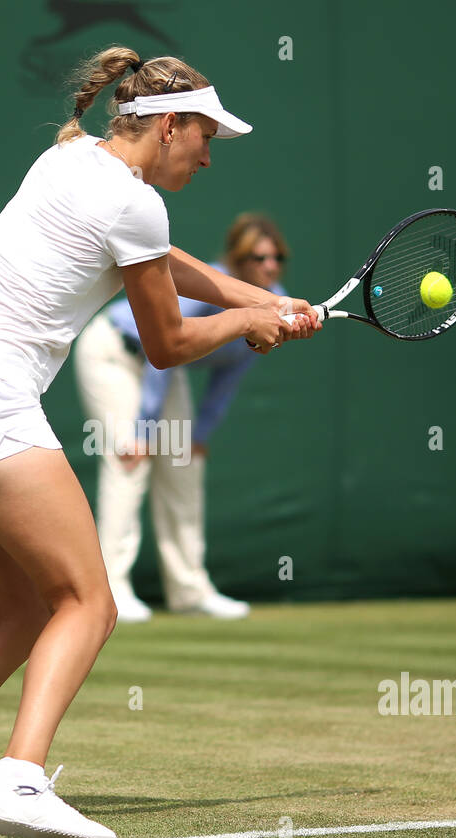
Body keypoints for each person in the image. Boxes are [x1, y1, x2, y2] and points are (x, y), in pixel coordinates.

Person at [0, 47, 321, 838]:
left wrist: (264, 299)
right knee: (90, 601)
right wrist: (248, 324)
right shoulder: (136, 205)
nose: (209, 155)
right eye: (204, 136)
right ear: (167, 125)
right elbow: (168, 342)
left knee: (26, 609)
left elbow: (165, 264)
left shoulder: (67, 157)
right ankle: (20, 775)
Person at [75, 213, 291, 622]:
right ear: (237, 261)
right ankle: (112, 591)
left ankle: (189, 589)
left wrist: (200, 434)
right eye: (258, 258)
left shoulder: (275, 299)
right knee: (129, 462)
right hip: (116, 354)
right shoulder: (208, 292)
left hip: (165, 371)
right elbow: (164, 348)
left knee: (182, 464)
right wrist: (142, 431)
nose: (269, 266)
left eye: (277, 257)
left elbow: (232, 371)